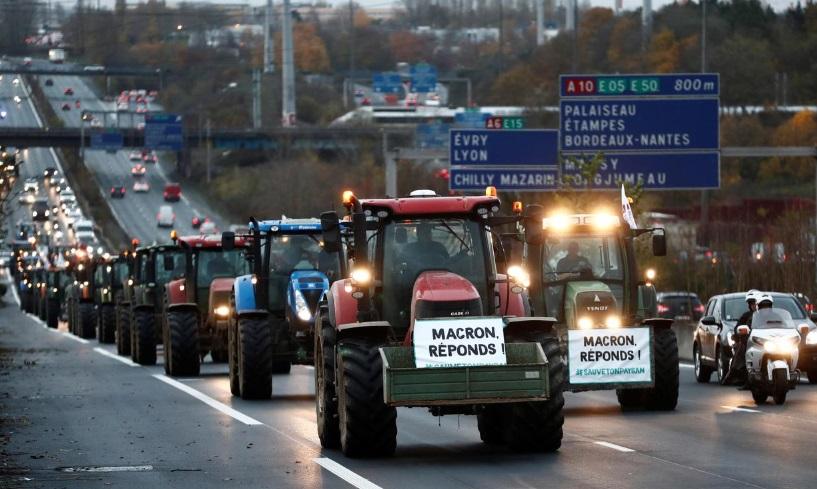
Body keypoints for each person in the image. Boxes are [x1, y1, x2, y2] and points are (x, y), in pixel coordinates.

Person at [725, 290, 761, 388]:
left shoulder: (770, 315)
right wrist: (739, 335)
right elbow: (737, 328)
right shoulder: (746, 316)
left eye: (755, 303)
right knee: (742, 349)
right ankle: (734, 374)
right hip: (750, 341)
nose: (754, 305)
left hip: (766, 341)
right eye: (751, 303)